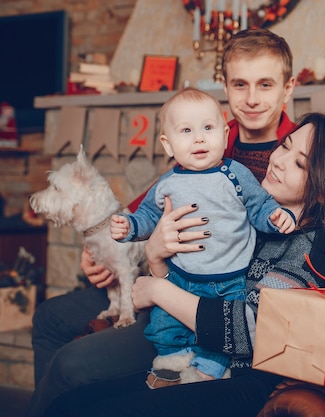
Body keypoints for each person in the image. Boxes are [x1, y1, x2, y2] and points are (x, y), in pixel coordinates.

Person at [27, 27, 296, 417]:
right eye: (240, 84)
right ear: (224, 86)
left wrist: (157, 271)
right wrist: (109, 244)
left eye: (265, 84)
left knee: (73, 365)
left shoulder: (294, 155)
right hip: (165, 274)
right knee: (49, 317)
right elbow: (147, 205)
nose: (252, 99)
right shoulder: (207, 138)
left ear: (288, 88)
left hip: (209, 296)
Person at [45, 112, 325, 417]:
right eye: (285, 146)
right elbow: (199, 278)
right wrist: (157, 261)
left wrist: (159, 290)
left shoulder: (313, 246)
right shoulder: (261, 217)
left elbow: (255, 328)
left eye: (300, 164)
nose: (278, 161)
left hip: (244, 379)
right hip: (193, 351)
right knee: (69, 403)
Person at [110, 87, 295, 388]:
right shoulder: (168, 183)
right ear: (168, 145)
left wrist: (275, 218)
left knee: (218, 338)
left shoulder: (236, 174)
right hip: (180, 276)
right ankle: (175, 362)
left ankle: (210, 369)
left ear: (224, 135)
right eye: (186, 131)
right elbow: (147, 217)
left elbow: (260, 206)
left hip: (229, 280)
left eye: (208, 129)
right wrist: (129, 227)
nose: (198, 138)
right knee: (161, 327)